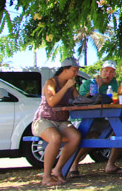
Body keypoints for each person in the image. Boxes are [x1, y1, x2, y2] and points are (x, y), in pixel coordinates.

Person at [31, 57, 82, 187]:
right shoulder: (51, 82)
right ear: (64, 70)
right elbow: (52, 102)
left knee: (76, 137)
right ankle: (46, 177)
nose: (75, 74)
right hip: (44, 119)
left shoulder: (71, 85)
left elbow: (78, 101)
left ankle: (57, 169)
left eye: (77, 71)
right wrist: (66, 87)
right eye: (74, 71)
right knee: (55, 138)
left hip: (62, 121)